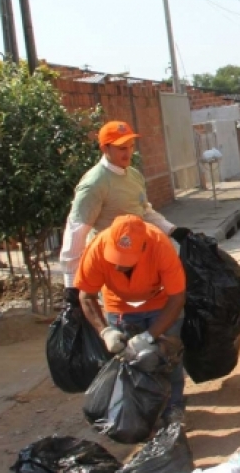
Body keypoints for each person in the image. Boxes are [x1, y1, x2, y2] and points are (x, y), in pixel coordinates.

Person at [76, 214, 188, 424]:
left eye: (125, 262)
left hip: (161, 305)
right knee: (131, 362)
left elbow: (177, 297)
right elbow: (86, 296)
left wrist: (150, 335)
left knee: (168, 358)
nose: (118, 267)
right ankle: (141, 413)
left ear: (143, 248)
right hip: (120, 307)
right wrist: (105, 331)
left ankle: (174, 408)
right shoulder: (97, 248)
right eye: (115, 258)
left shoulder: (160, 245)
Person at [60, 120, 190, 301]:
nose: (128, 152)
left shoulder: (133, 175)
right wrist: (71, 287)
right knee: (117, 319)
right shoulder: (95, 184)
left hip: (139, 260)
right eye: (122, 148)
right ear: (105, 149)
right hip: (111, 265)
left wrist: (172, 230)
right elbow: (75, 232)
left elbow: (144, 211)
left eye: (131, 146)